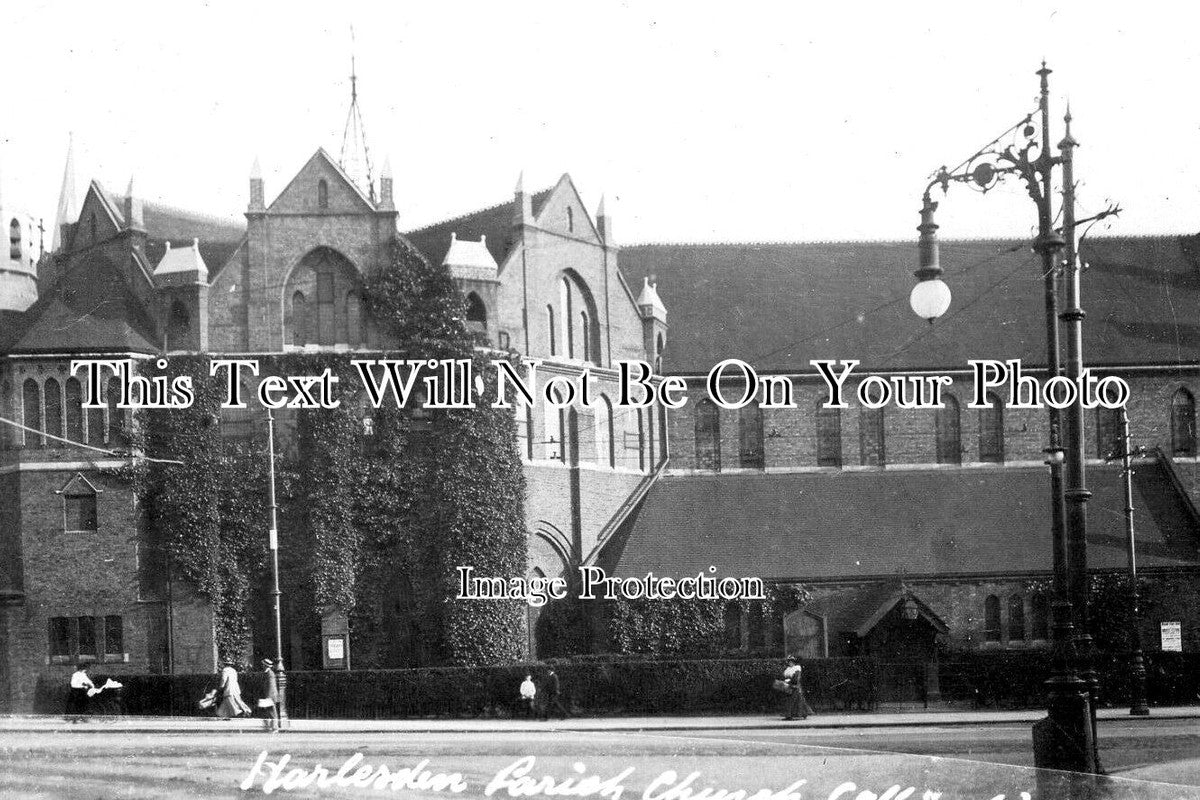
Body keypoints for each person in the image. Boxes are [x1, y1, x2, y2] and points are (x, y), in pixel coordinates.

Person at [782, 655, 811, 721]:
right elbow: (785, 677)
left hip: (795, 687)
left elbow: (796, 679)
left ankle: (795, 715)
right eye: (789, 662)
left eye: (791, 662)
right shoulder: (787, 669)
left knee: (794, 701)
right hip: (788, 686)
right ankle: (789, 715)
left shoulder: (797, 668)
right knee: (789, 701)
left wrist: (790, 681)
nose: (790, 663)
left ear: (794, 662)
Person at [257, 659, 280, 732]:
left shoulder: (270, 674)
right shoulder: (267, 673)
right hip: (267, 695)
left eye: (263, 665)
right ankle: (269, 727)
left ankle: (274, 727)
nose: (262, 666)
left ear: (265, 666)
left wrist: (268, 697)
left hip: (270, 696)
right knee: (268, 712)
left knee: (272, 712)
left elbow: (271, 686)